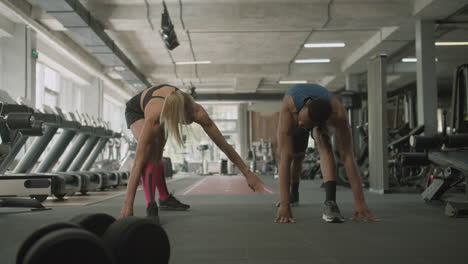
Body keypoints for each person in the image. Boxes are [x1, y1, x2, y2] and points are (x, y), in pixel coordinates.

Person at [120, 84, 265, 219]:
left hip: (163, 108)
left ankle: (164, 198)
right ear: (175, 117)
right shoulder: (155, 118)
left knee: (158, 154)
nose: (192, 119)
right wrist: (127, 206)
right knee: (150, 151)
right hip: (137, 110)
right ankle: (151, 206)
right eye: (188, 118)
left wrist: (248, 173)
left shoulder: (198, 112)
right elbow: (138, 163)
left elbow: (224, 145)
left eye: (192, 114)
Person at [275, 83, 379, 223]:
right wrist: (284, 204)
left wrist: (360, 202)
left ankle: (330, 202)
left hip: (319, 119)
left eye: (305, 123)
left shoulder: (338, 114)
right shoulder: (289, 107)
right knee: (296, 156)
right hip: (294, 115)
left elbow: (347, 156)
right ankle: (293, 193)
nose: (301, 123)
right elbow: (285, 159)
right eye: (301, 119)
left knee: (325, 143)